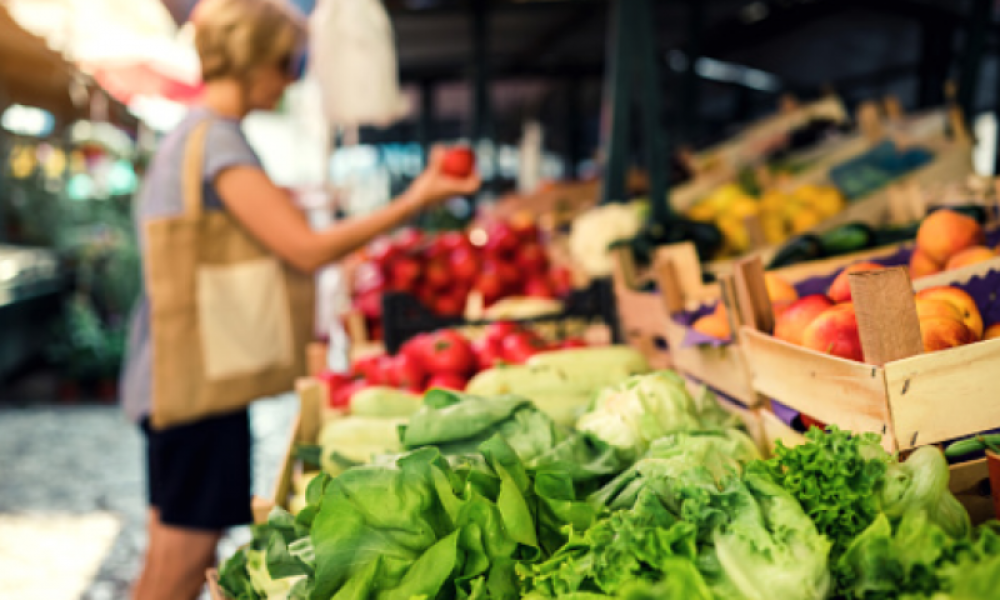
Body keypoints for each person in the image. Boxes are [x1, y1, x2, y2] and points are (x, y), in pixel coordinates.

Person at [120, 1, 480, 599]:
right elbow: (306, 250)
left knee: (167, 551)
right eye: (288, 61)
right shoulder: (219, 141)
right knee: (186, 561)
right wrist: (416, 198)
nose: (291, 77)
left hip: (168, 374)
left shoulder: (190, 133)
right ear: (254, 60)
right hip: (195, 382)